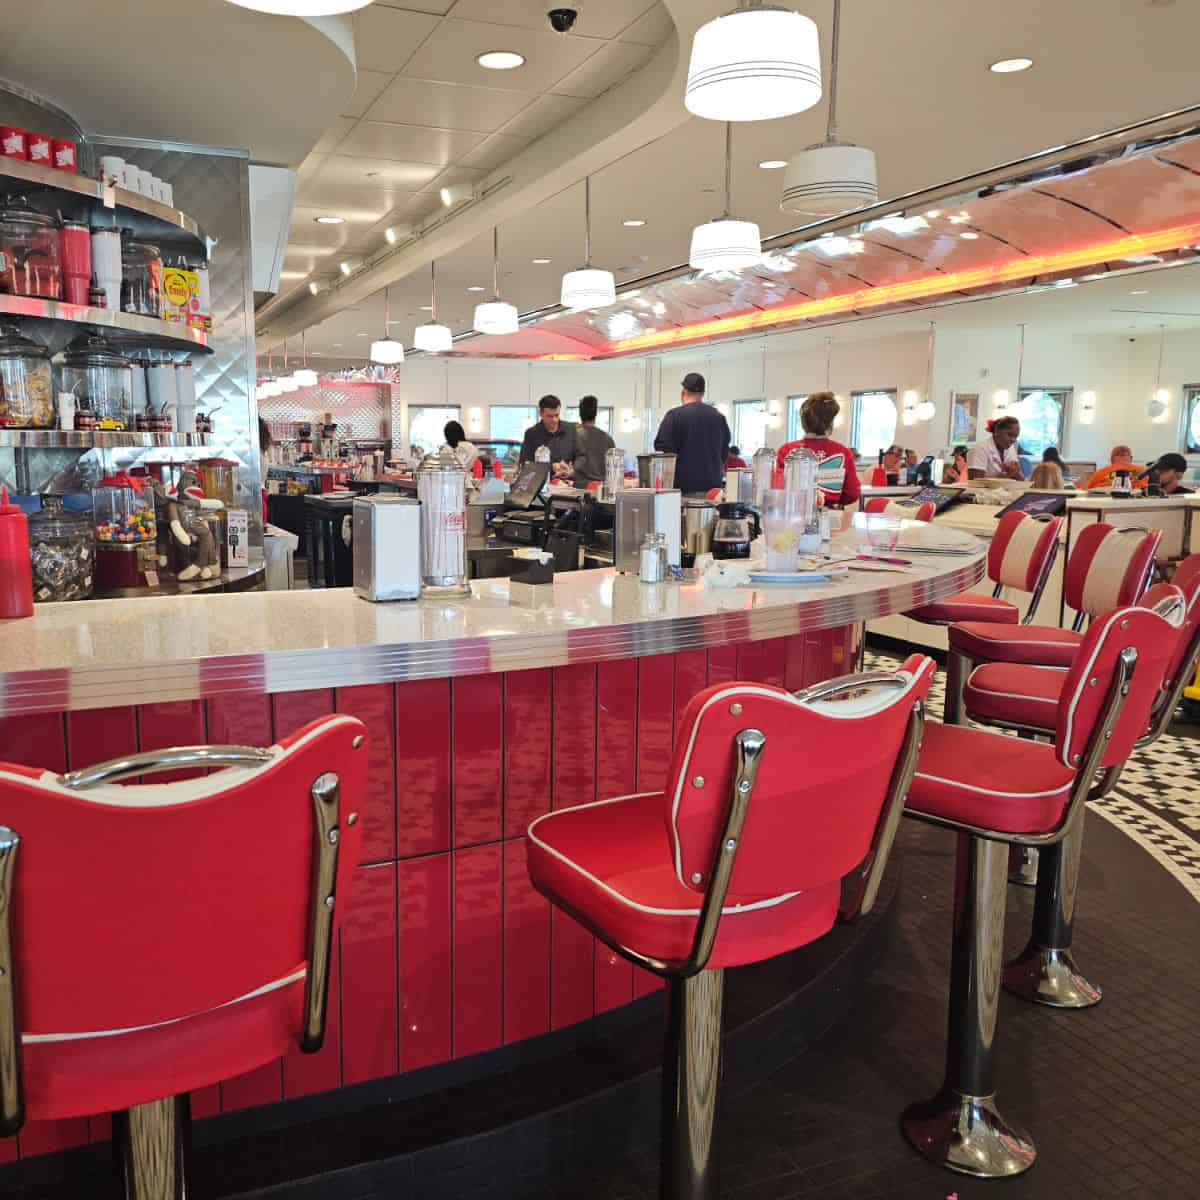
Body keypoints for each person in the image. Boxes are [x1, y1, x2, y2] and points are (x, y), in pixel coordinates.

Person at [774, 392, 862, 508]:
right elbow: (852, 494)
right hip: (828, 515)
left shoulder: (787, 450)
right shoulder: (843, 452)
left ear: (803, 422)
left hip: (793, 514)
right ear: (830, 423)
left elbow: (778, 490)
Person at [653, 372, 731, 495]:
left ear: (683, 392)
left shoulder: (674, 416)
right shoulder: (719, 417)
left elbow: (663, 451)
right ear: (703, 394)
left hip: (682, 489)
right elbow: (724, 453)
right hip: (713, 491)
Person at [519, 394, 577, 477]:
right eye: (550, 416)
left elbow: (581, 456)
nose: (554, 420)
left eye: (557, 415)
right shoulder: (531, 434)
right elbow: (525, 463)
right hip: (543, 484)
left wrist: (573, 468)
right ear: (541, 414)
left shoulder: (570, 429)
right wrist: (551, 467)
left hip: (568, 484)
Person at [571, 394, 615, 489]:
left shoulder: (573, 436)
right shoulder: (608, 438)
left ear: (580, 413)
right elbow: (613, 470)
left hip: (578, 489)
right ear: (596, 414)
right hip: (602, 489)